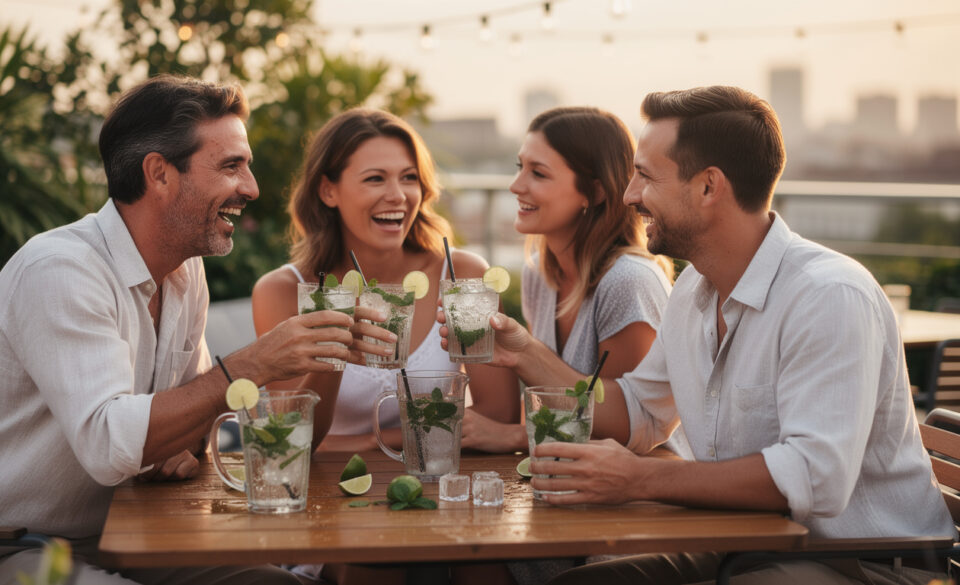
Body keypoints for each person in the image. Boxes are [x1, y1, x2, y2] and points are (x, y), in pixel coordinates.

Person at [453, 86, 954, 585]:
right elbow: (641, 412)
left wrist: (640, 478)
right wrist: (524, 351)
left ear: (709, 187)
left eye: (645, 176)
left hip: (863, 561)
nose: (629, 195)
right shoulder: (694, 287)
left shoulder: (827, 296)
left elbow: (815, 477)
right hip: (747, 542)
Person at [0, 76, 355, 585]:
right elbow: (109, 442)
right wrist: (254, 362)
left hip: (123, 530)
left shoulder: (185, 271)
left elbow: (195, 417)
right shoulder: (61, 270)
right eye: (231, 166)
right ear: (159, 174)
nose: (251, 187)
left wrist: (185, 443)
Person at [251, 108, 518, 584]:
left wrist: (361, 443)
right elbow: (292, 443)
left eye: (409, 178)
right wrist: (336, 352)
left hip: (443, 491)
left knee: (483, 557)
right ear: (328, 190)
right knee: (372, 560)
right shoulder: (284, 291)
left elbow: (496, 421)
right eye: (375, 178)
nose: (398, 195)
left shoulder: (463, 275)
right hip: (336, 500)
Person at [459, 106, 674, 455]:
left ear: (595, 191)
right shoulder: (538, 275)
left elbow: (633, 431)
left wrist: (514, 437)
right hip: (565, 471)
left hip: (650, 480)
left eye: (538, 173)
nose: (516, 185)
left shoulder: (628, 282)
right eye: (519, 167)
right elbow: (546, 405)